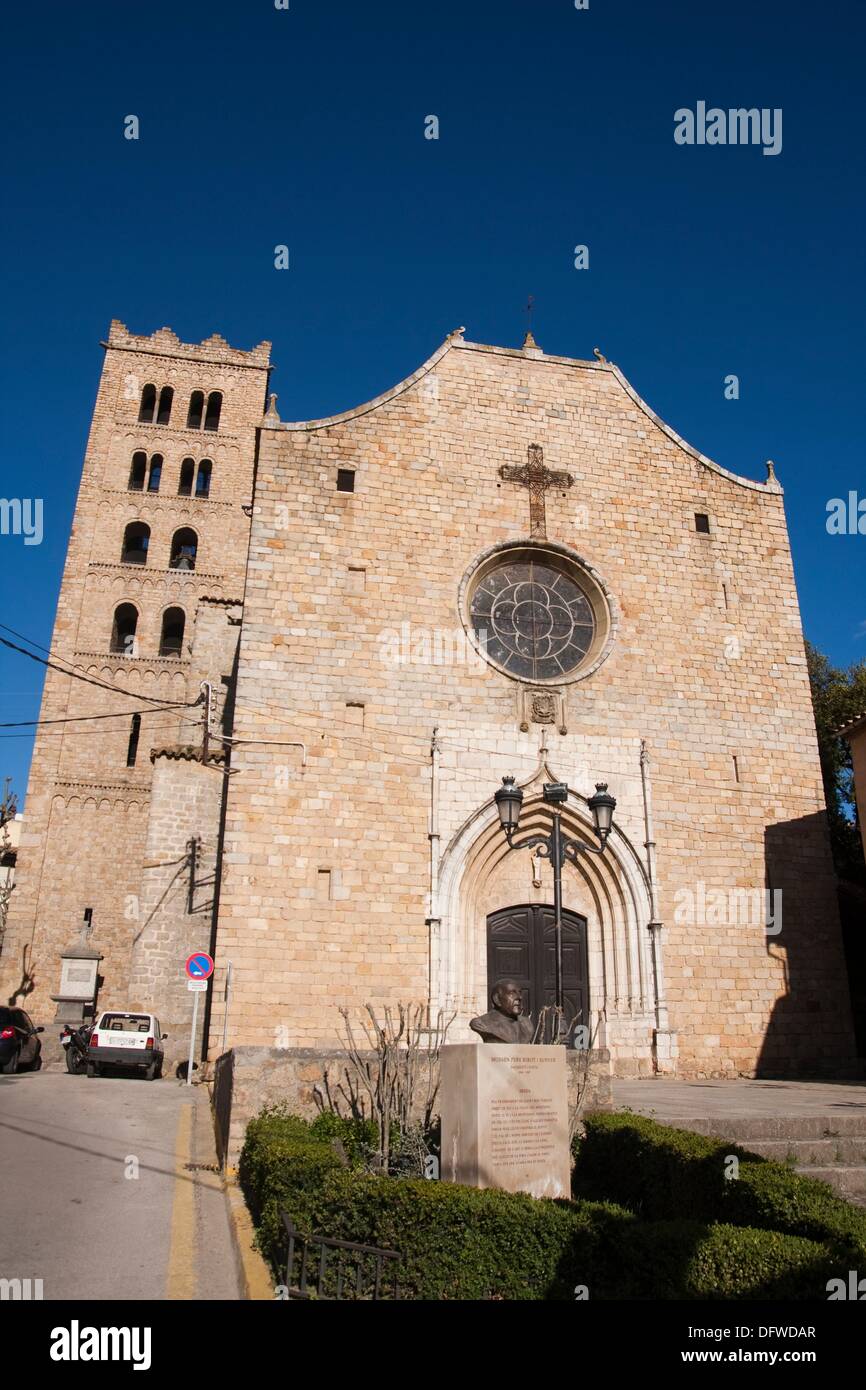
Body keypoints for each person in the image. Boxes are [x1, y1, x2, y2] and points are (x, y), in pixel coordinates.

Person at [469, 979, 534, 1043]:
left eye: (519, 992)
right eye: (511, 993)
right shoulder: (481, 1023)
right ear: (496, 999)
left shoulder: (527, 1024)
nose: (519, 997)